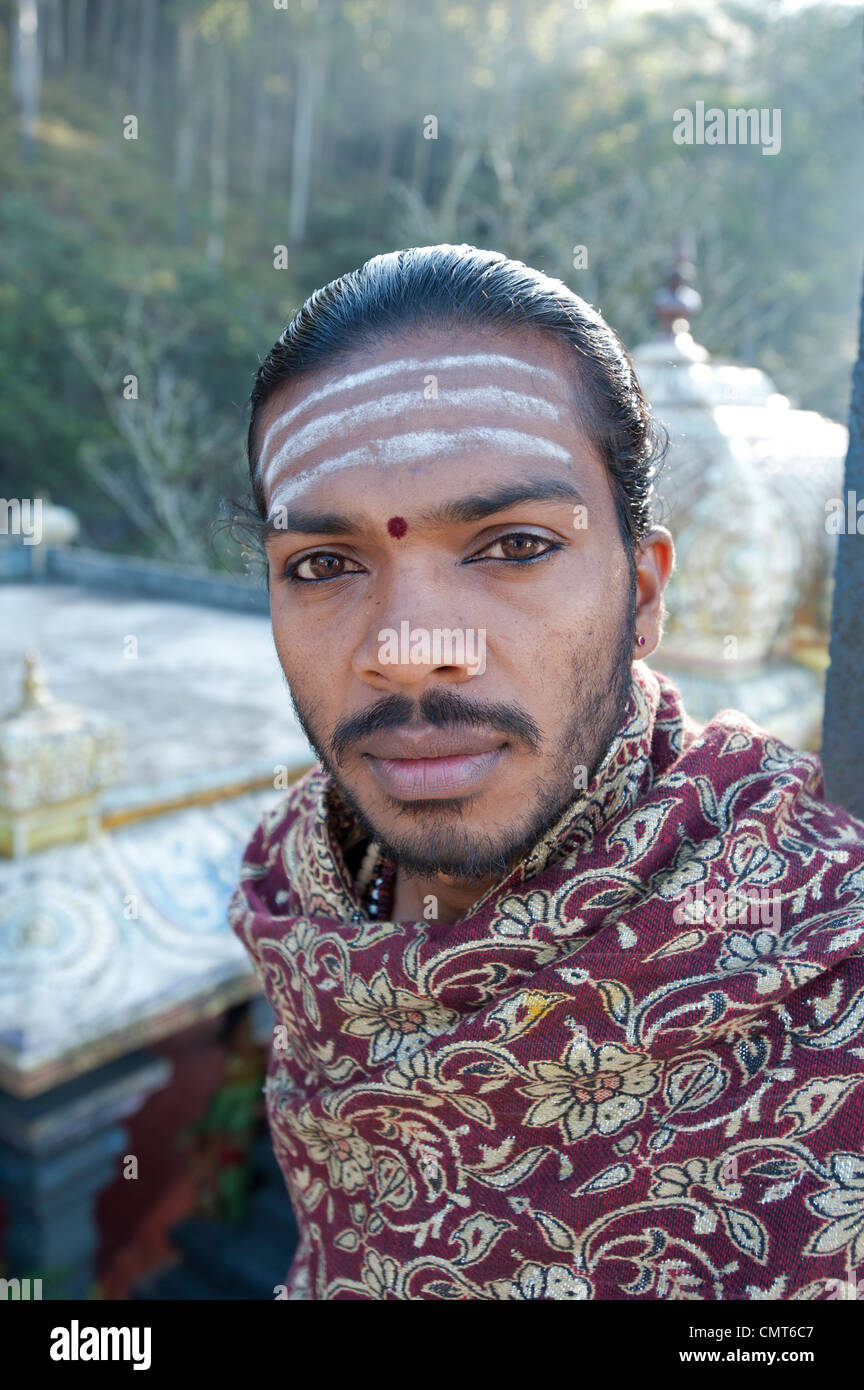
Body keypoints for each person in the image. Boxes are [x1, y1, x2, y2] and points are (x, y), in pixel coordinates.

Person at [229, 244, 864, 1301]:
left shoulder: (827, 960)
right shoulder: (303, 895)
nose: (411, 647)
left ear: (647, 596)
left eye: (514, 545)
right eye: (325, 565)